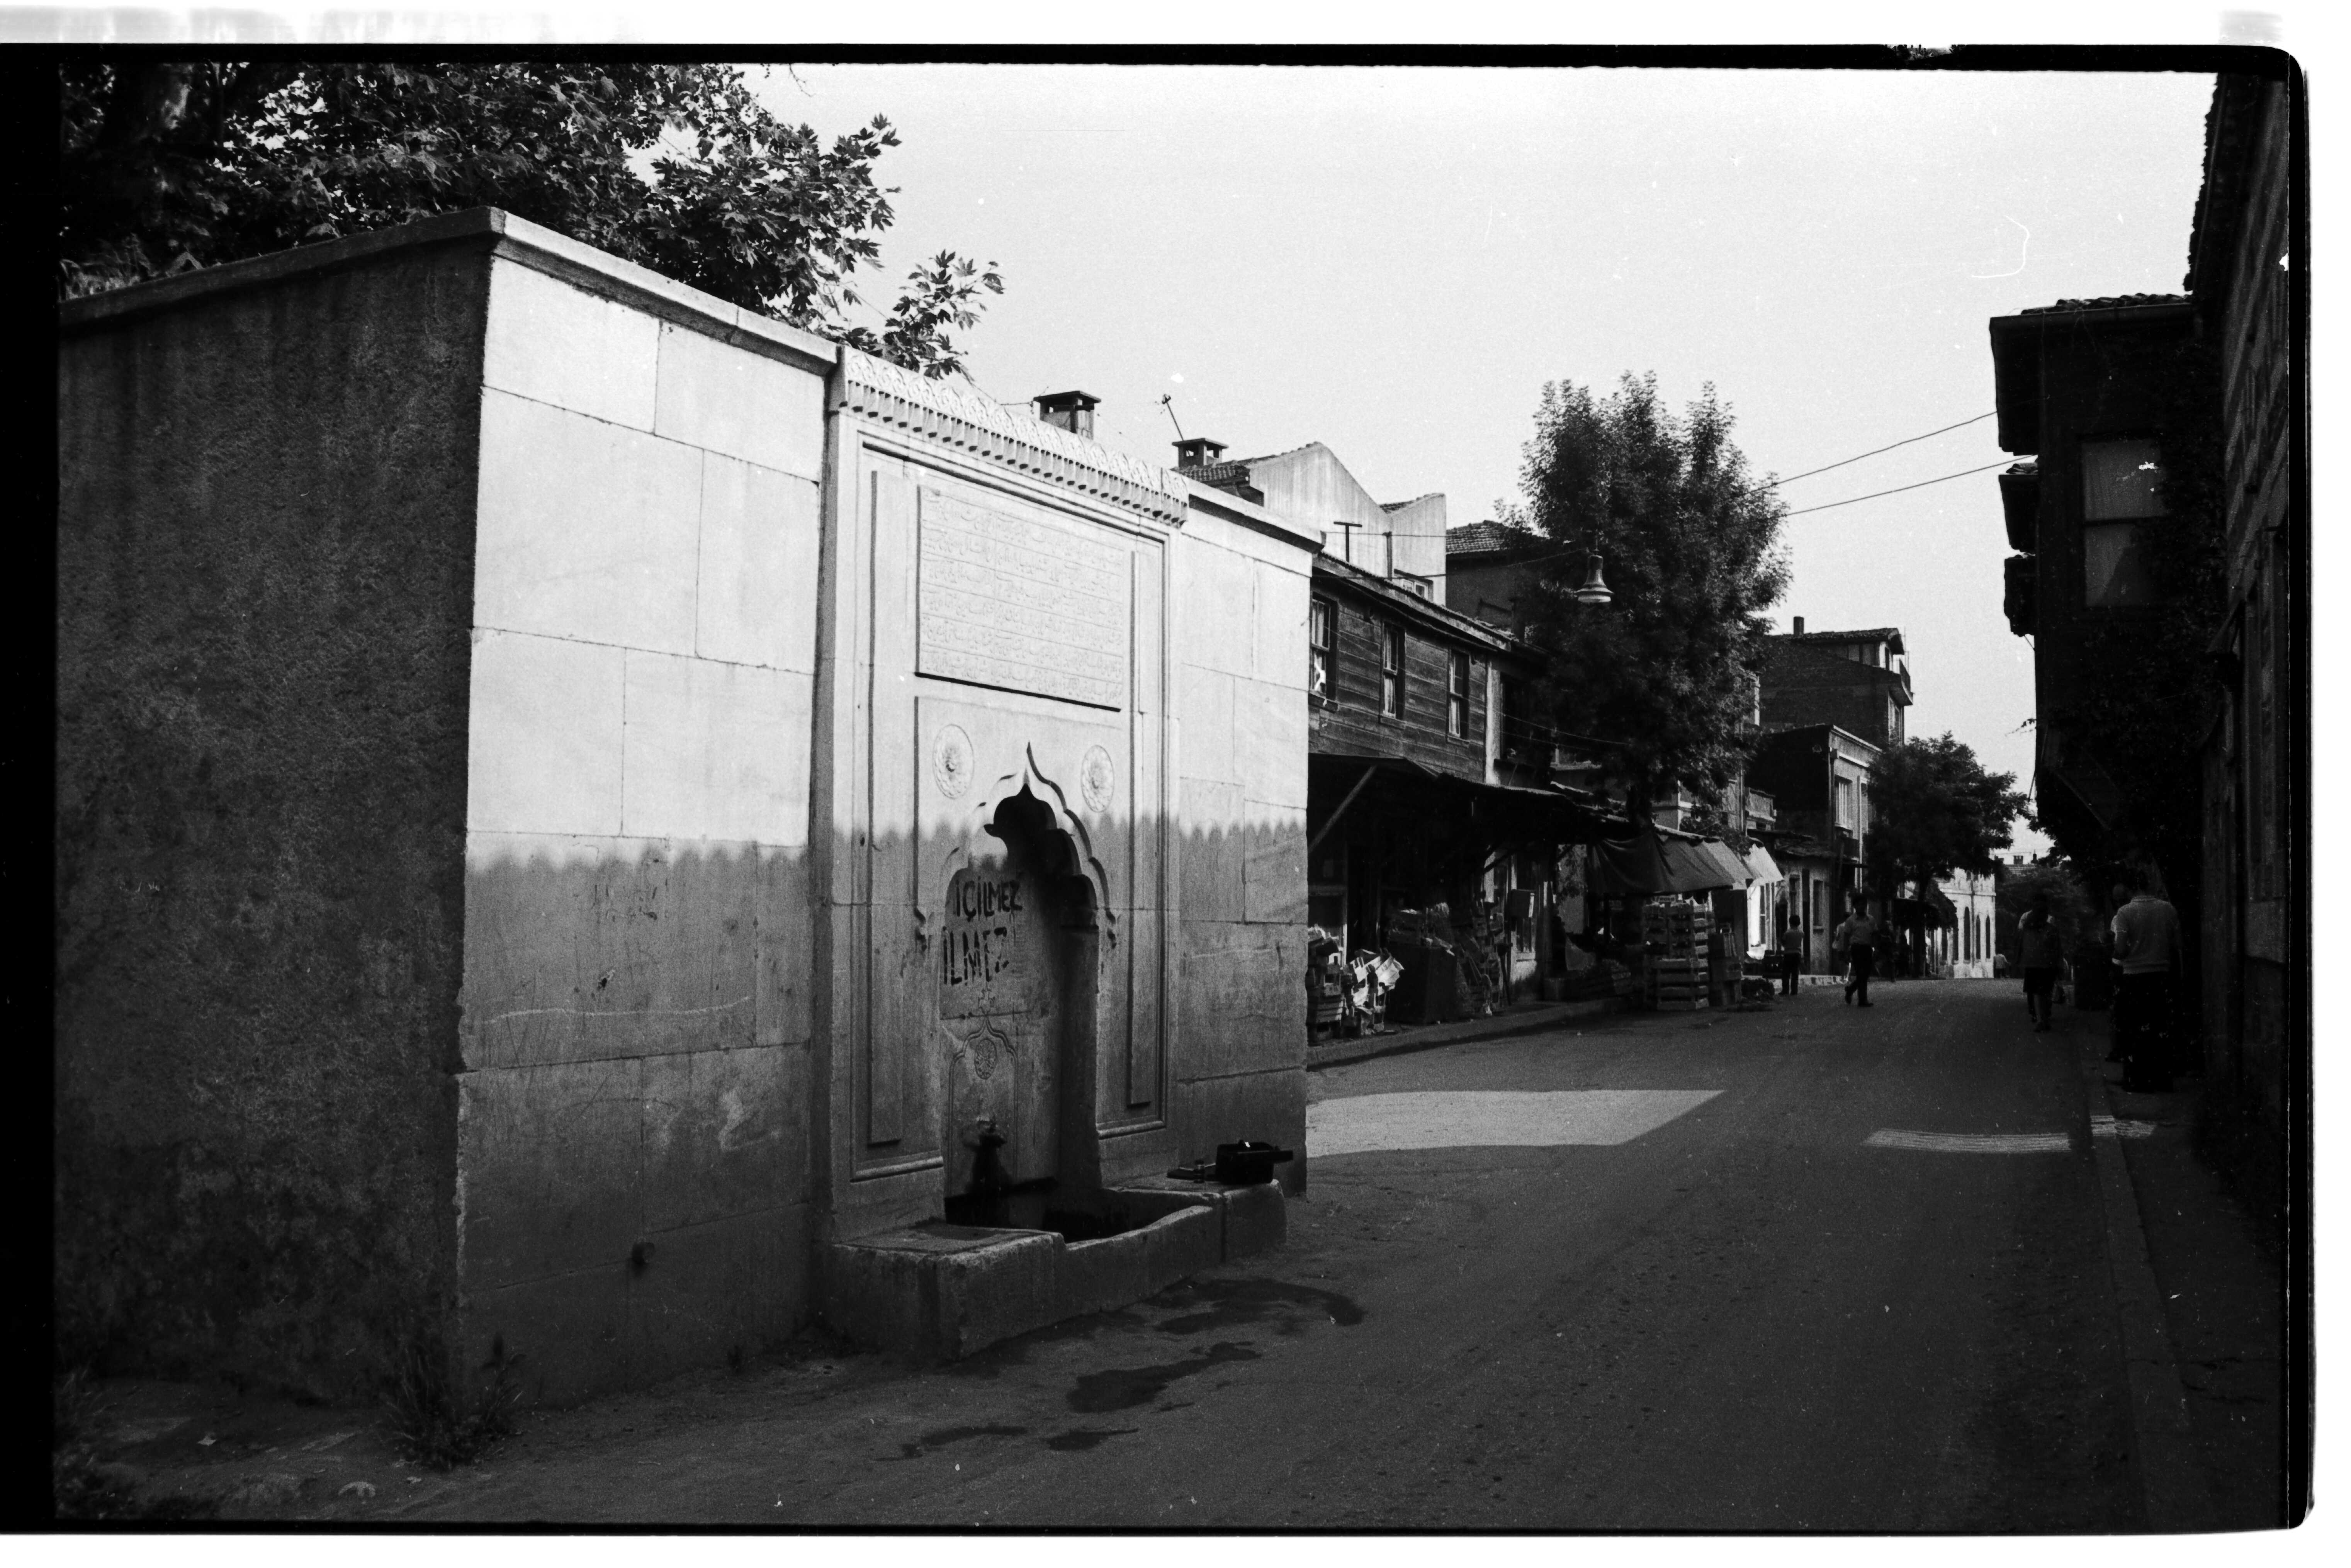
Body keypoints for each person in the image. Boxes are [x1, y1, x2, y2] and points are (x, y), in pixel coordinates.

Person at [2110, 870, 2183, 1091]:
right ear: (2149, 884)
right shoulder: (2168, 909)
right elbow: (2177, 944)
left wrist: (2113, 948)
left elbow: (2121, 950)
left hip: (2134, 977)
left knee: (2134, 1028)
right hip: (2162, 975)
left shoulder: (2125, 913)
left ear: (2130, 889)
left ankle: (2137, 1079)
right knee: (2160, 1027)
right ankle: (2161, 1078)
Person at [2017, 890, 2063, 1033]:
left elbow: (2021, 944)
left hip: (2032, 964)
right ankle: (2045, 1018)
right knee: (2046, 992)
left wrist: (2020, 961)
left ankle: (2039, 1018)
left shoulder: (2027, 927)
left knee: (2036, 993)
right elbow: (2057, 949)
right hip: (2048, 965)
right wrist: (2059, 965)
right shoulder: (2051, 928)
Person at [1833, 904, 1879, 1007]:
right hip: (1856, 948)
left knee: (1866, 974)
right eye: (1859, 905)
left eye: (1863, 905)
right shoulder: (1851, 921)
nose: (1862, 908)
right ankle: (1863, 1000)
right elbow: (1846, 936)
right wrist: (1846, 951)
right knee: (1860, 973)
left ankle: (1850, 990)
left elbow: (1875, 934)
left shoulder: (1871, 920)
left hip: (1868, 948)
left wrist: (1876, 949)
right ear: (1856, 907)